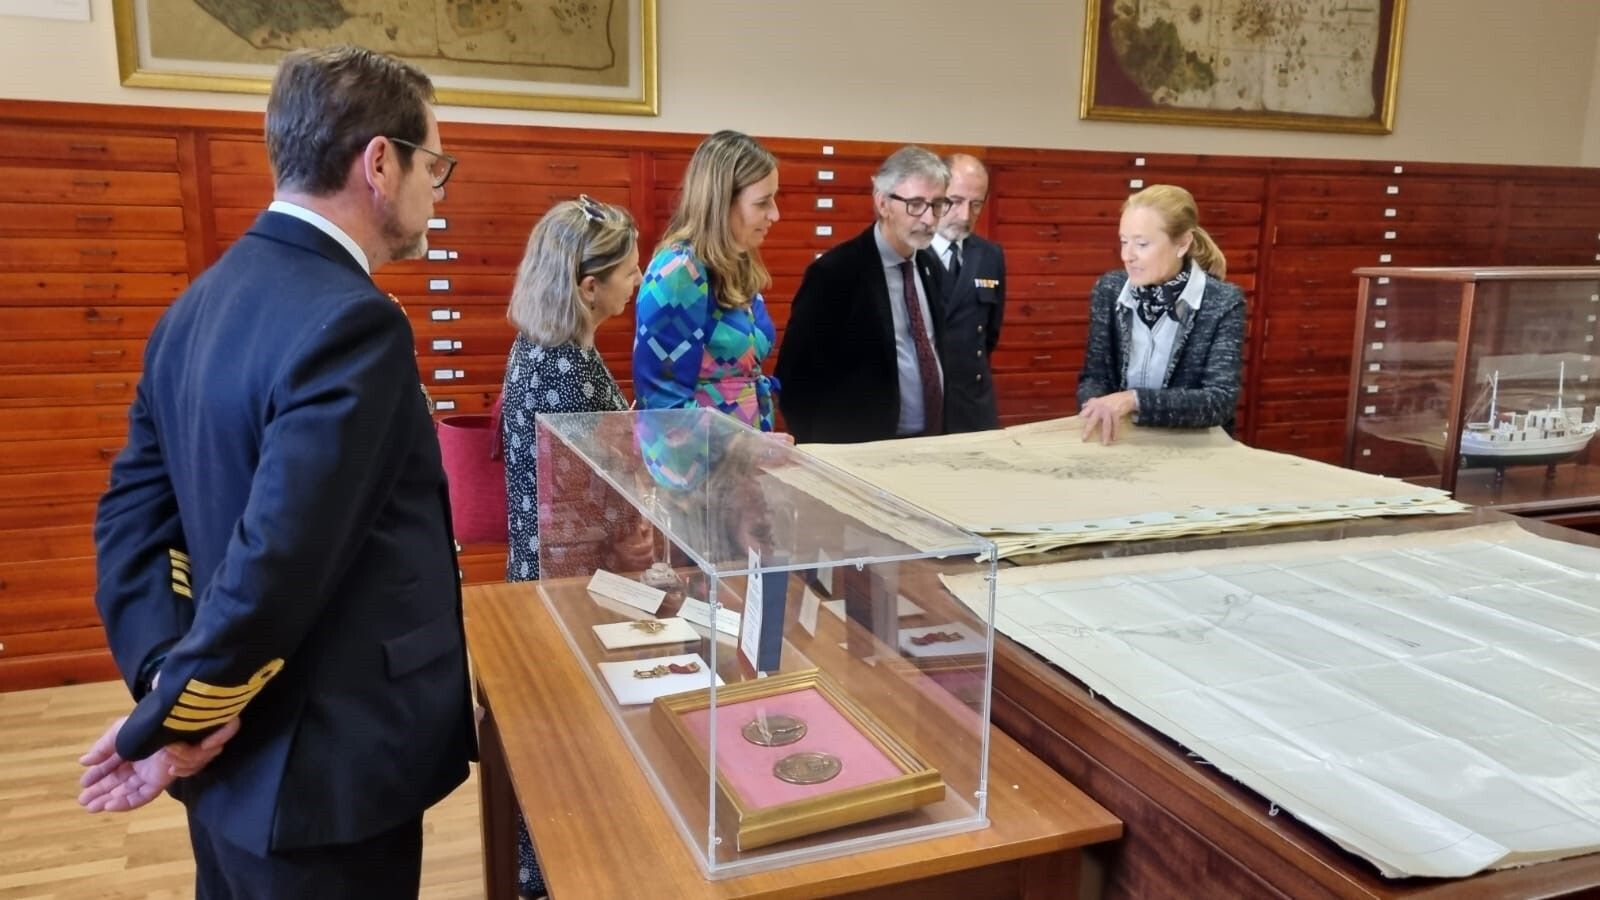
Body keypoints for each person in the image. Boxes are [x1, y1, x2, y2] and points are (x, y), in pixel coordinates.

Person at [78, 45, 476, 899]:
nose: (435, 194)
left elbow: (129, 526)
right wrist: (178, 719)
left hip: (227, 769)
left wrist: (164, 687)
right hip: (323, 770)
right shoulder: (354, 323)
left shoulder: (195, 307)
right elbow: (281, 562)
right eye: (433, 165)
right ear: (379, 161)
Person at [498, 195, 641, 898]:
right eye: (630, 270)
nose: (638, 279)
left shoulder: (544, 345)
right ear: (590, 287)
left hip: (548, 573)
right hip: (571, 588)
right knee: (568, 753)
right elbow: (592, 509)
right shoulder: (568, 370)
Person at [776, 146, 951, 443]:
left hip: (929, 442)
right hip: (860, 448)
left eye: (937, 205)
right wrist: (820, 452)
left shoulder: (930, 265)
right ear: (883, 204)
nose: (929, 219)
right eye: (916, 205)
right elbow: (796, 378)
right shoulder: (835, 273)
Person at [633, 130, 782, 431]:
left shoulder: (737, 260)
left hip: (741, 461)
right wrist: (743, 449)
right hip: (696, 467)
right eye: (763, 203)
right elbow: (663, 406)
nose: (775, 214)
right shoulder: (679, 271)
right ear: (722, 202)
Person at [1077, 184, 1246, 444]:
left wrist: (1133, 400)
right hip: (1123, 442)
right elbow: (1094, 377)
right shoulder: (1109, 290)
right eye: (1123, 241)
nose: (1127, 256)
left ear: (1182, 244)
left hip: (1193, 450)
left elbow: (1219, 400)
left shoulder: (1223, 302)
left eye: (1142, 244)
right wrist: (1096, 404)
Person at [930, 153, 1006, 433]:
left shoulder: (990, 255)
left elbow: (989, 335)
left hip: (974, 405)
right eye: (955, 201)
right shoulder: (911, 251)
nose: (965, 216)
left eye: (976, 205)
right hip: (928, 407)